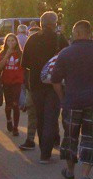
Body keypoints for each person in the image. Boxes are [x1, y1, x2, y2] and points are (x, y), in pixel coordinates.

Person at [50, 20, 93, 179]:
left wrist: (62, 98)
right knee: (90, 137)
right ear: (89, 32)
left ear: (78, 33)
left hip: (71, 101)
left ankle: (70, 171)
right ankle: (85, 176)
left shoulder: (65, 53)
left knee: (70, 137)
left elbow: (55, 80)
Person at [20, 11, 68, 161]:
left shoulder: (32, 40)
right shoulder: (60, 40)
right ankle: (47, 150)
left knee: (40, 117)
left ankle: (44, 152)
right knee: (51, 118)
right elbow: (68, 62)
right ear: (54, 24)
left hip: (36, 85)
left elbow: (25, 64)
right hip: (55, 85)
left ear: (40, 24)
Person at [0, 33, 24, 135]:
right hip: (6, 81)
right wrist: (7, 54)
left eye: (13, 40)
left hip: (17, 81)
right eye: (8, 41)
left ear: (16, 42)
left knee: (15, 104)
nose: (11, 43)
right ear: (6, 42)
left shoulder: (20, 53)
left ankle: (16, 127)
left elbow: (24, 66)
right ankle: (9, 120)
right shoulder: (2, 53)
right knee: (8, 104)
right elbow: (0, 67)